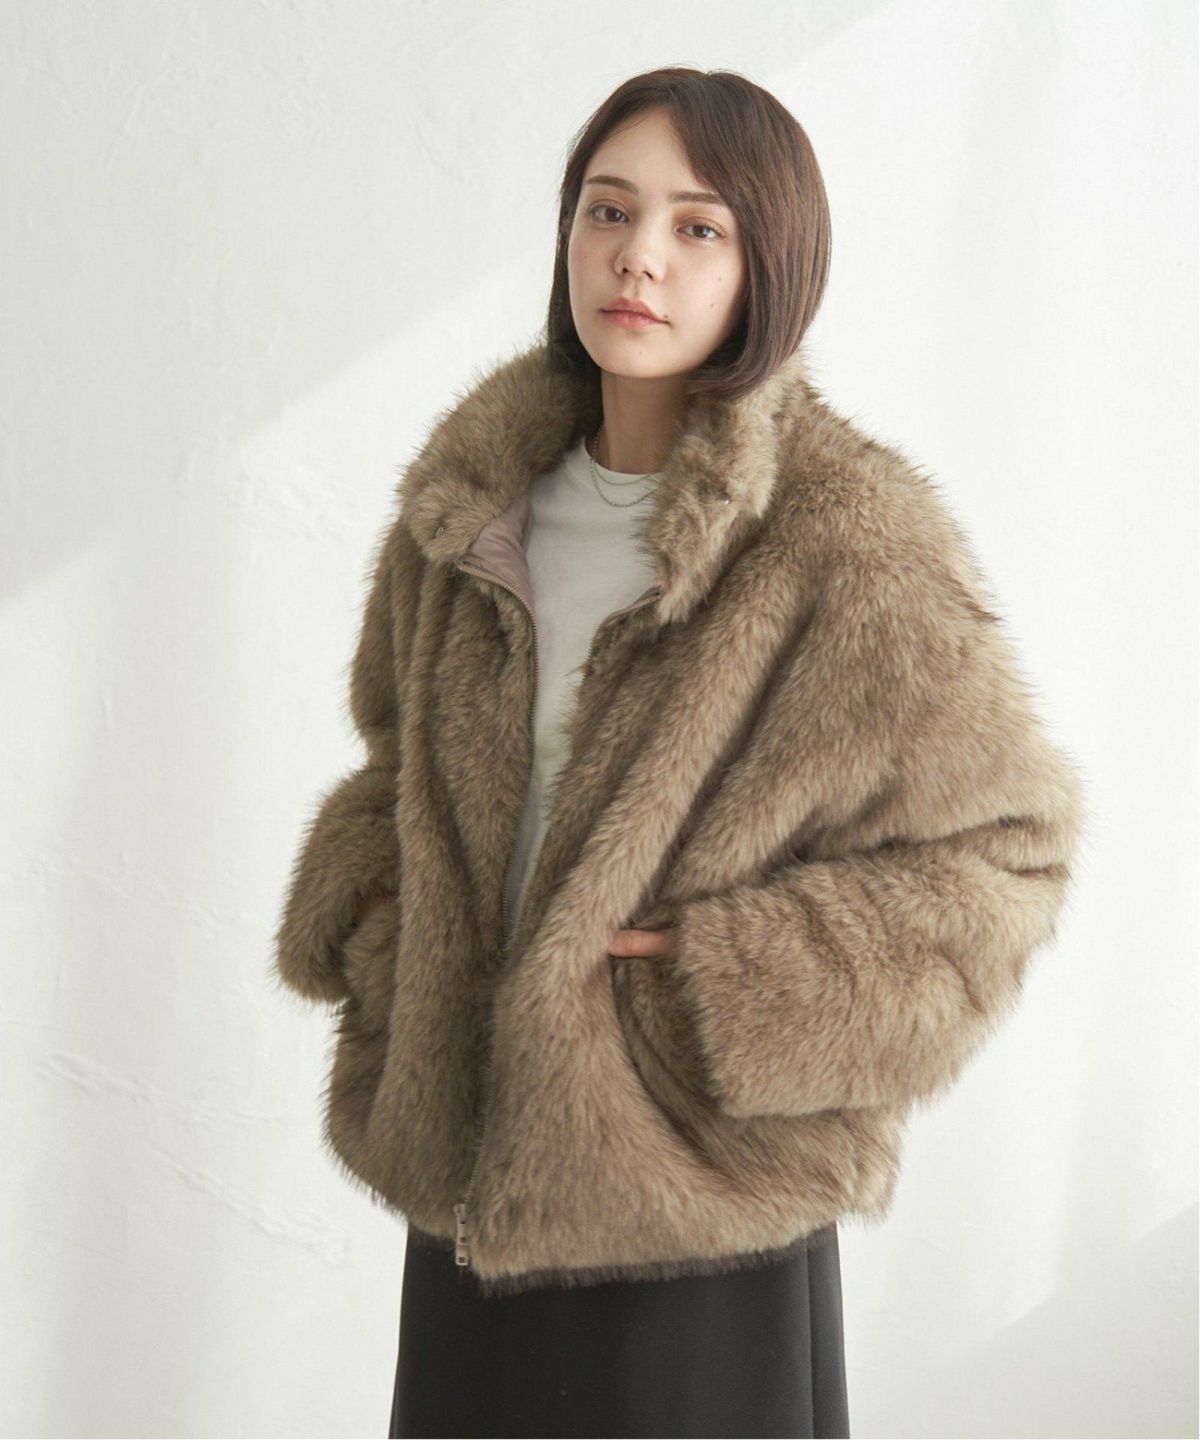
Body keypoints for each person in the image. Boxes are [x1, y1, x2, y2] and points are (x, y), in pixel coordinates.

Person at [273, 67, 1086, 1440]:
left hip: (694, 1199)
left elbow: (1012, 852)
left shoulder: (843, 537)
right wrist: (380, 914)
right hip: (471, 1176)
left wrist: (723, 987)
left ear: (770, 265)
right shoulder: (471, 508)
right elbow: (395, 751)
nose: (637, 256)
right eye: (609, 211)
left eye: (697, 226)